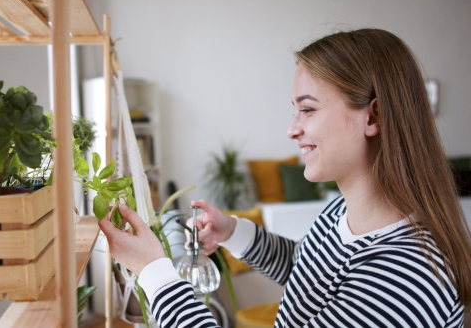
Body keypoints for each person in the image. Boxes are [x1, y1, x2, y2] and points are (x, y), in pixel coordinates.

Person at [99, 28, 471, 327]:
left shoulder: (404, 279)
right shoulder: (339, 214)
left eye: (307, 109)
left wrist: (153, 271)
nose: (291, 130)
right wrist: (234, 232)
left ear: (373, 117)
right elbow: (310, 276)